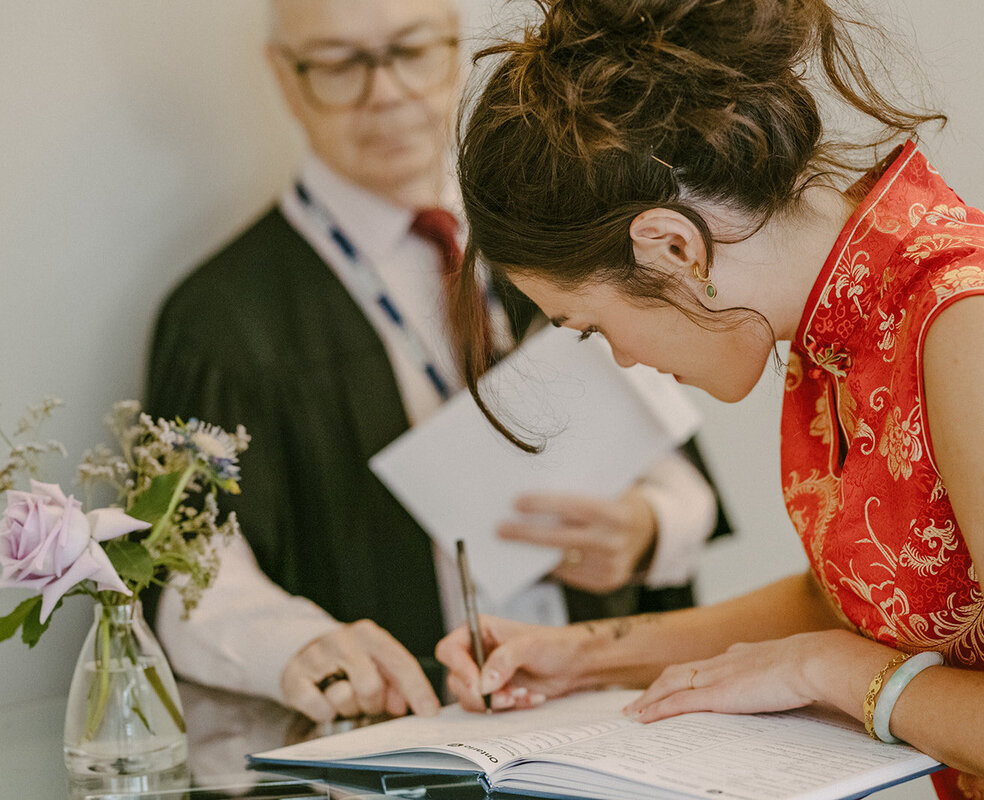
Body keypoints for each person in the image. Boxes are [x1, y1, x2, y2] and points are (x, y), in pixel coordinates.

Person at [435, 1, 984, 798]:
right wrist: (581, 655)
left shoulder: (973, 326)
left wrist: (825, 667)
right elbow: (853, 592)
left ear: (672, 247)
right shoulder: (836, 325)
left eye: (590, 327)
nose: (624, 358)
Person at [144, 0, 727, 726]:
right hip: (408, 731)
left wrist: (647, 528)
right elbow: (188, 574)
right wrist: (301, 645)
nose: (384, 92)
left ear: (454, 49)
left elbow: (678, 465)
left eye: (411, 49)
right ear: (285, 76)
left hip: (601, 707)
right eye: (337, 64)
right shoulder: (222, 319)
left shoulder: (556, 242)